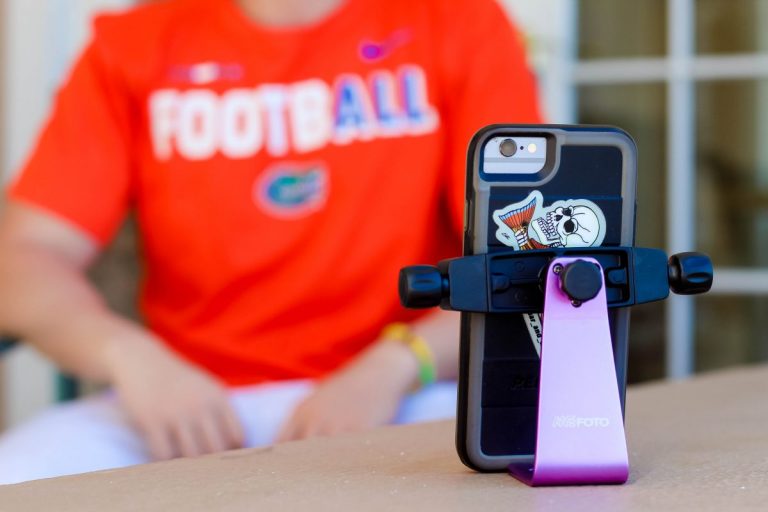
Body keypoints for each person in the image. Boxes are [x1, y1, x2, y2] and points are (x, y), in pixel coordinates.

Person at [0, 0, 540, 484]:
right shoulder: (133, 42)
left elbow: (527, 255)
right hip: (193, 406)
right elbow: (22, 260)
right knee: (15, 474)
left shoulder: (456, 19)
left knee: (519, 468)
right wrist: (130, 357)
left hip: (406, 392)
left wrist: (399, 363)